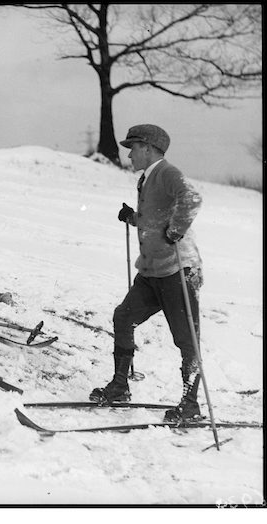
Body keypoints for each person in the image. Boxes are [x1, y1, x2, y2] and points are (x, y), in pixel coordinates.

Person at [89, 124, 204, 423]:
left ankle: (190, 405)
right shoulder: (147, 179)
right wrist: (132, 218)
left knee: (186, 338)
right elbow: (155, 219)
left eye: (133, 148)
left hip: (177, 270)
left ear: (149, 149)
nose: (129, 155)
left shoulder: (166, 172)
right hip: (152, 270)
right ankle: (119, 386)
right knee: (124, 316)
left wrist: (177, 229)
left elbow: (191, 199)